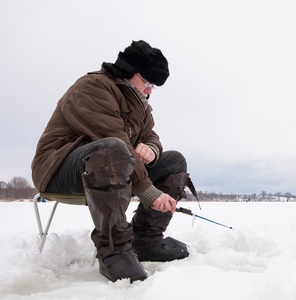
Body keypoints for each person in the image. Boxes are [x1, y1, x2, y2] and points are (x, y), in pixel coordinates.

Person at [31, 40, 197, 283]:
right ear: (131, 73)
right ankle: (114, 250)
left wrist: (150, 147)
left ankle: (145, 239)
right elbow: (112, 137)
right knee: (114, 148)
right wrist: (149, 192)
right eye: (147, 83)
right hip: (59, 167)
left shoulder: (141, 106)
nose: (150, 90)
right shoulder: (92, 87)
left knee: (173, 161)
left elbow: (151, 134)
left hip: (113, 166)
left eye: (154, 86)